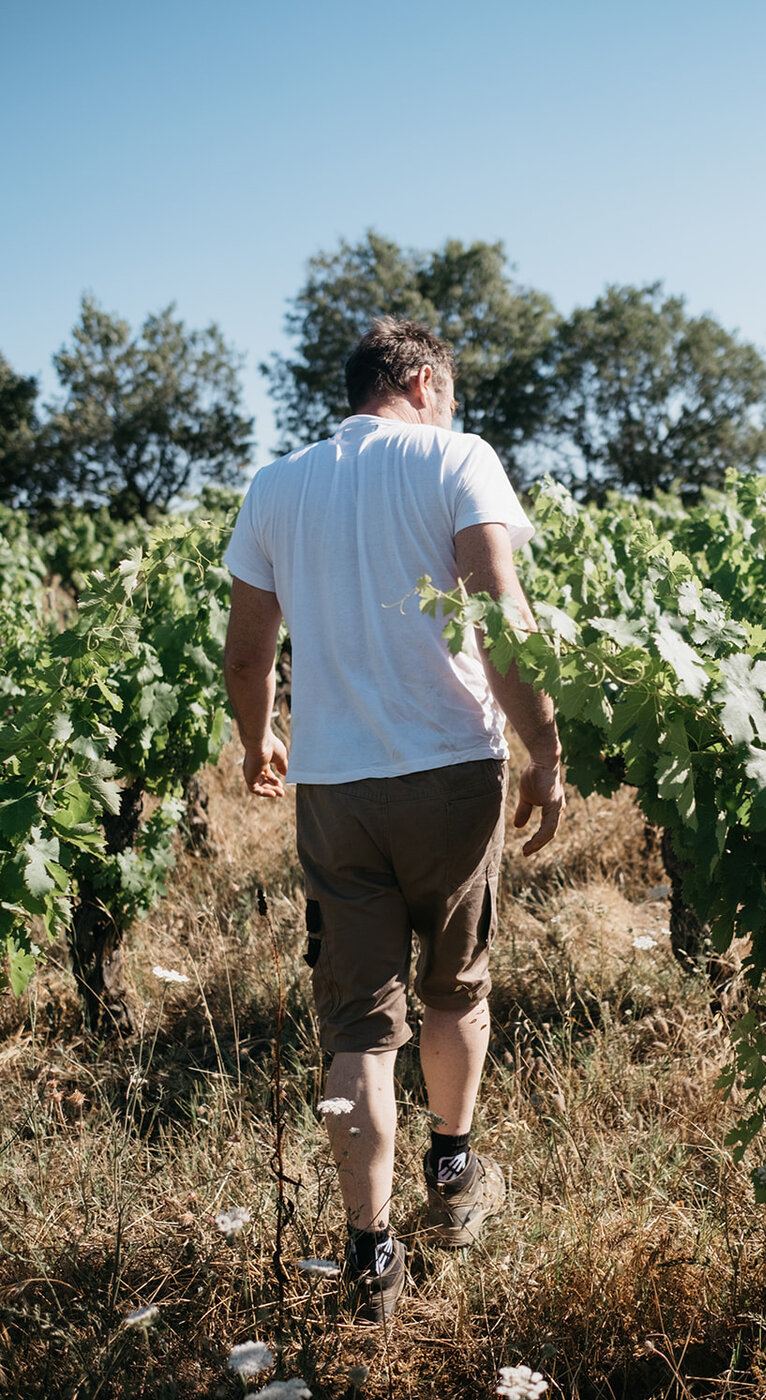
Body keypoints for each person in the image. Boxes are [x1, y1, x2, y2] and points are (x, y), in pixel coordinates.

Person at [222, 318, 564, 1321]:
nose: (452, 408)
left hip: (334, 787)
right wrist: (543, 749)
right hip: (453, 770)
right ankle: (452, 1175)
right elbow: (502, 613)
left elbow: (248, 653)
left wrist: (258, 742)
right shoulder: (456, 457)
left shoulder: (276, 486)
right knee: (455, 988)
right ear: (420, 381)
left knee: (357, 1033)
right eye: (447, 391)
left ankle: (369, 1260)